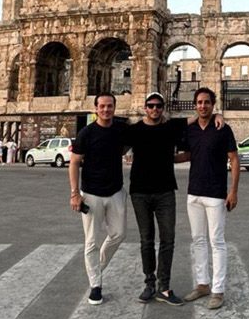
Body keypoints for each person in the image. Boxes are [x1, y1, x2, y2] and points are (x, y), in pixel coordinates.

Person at [127, 92, 190, 306]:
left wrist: (217, 116)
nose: (155, 109)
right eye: (151, 106)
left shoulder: (171, 127)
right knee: (146, 240)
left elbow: (198, 118)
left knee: (168, 239)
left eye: (158, 106)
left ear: (163, 108)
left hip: (165, 192)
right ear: (145, 107)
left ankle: (165, 286)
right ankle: (149, 283)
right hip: (140, 192)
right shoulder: (134, 130)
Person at [181, 88, 239, 310]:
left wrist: (233, 191)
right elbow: (187, 154)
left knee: (217, 241)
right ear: (195, 105)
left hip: (216, 193)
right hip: (194, 192)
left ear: (213, 104)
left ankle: (218, 289)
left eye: (206, 102)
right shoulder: (192, 129)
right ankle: (202, 284)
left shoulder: (222, 129)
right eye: (199, 102)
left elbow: (234, 160)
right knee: (198, 240)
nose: (202, 105)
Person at [69, 93, 129, 304]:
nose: (106, 110)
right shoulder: (86, 133)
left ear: (114, 107)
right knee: (92, 241)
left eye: (109, 106)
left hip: (115, 191)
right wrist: (75, 194)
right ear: (96, 109)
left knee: (119, 234)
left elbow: (135, 139)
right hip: (92, 193)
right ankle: (96, 285)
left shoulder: (121, 129)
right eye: (102, 106)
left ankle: (97, 268)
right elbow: (74, 163)